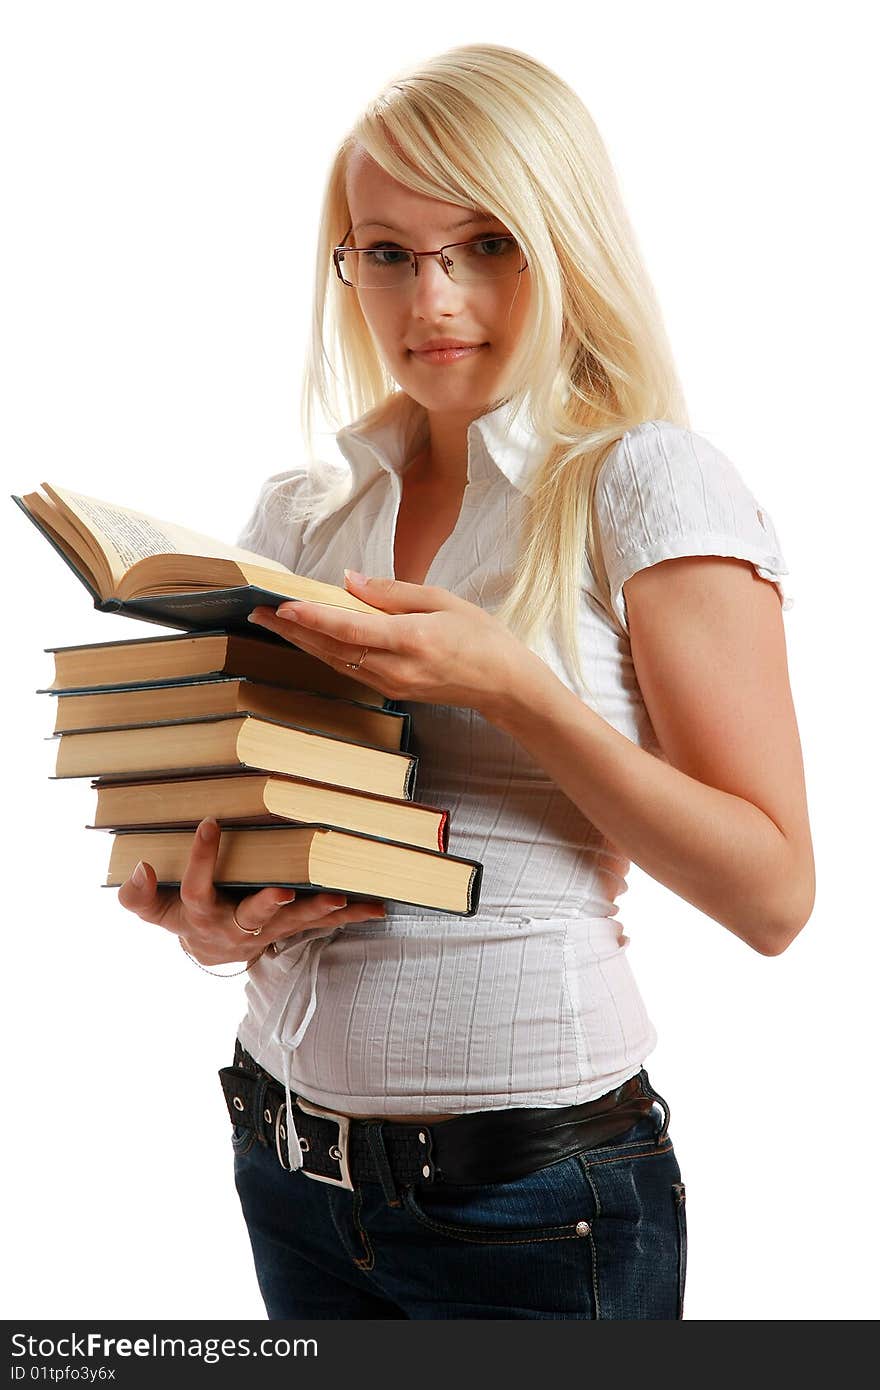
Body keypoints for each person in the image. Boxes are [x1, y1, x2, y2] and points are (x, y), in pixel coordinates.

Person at [117, 43, 815, 1319]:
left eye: (484, 243)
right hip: (288, 1169)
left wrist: (517, 689)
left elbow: (773, 895)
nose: (430, 296)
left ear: (562, 246)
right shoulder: (302, 514)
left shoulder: (642, 483)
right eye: (385, 251)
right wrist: (210, 918)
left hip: (536, 1208)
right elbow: (239, 827)